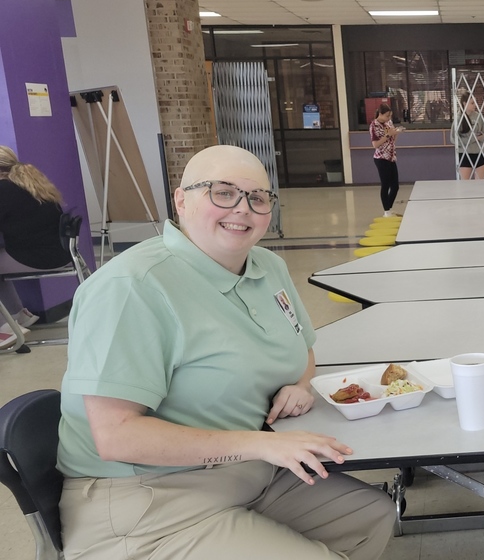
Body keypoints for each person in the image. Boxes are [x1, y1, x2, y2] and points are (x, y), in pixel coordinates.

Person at [56, 145, 394, 560]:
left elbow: (301, 347)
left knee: (373, 516)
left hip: (250, 473)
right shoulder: (130, 288)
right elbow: (116, 435)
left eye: (258, 198)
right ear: (181, 200)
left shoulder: (266, 266)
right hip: (146, 499)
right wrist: (259, 445)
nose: (243, 209)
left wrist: (301, 383)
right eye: (222, 192)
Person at [0, 145, 73, 345]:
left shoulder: (3, 190)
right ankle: (18, 316)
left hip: (39, 258)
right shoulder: (31, 182)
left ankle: (6, 328)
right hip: (62, 253)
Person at [370, 103, 403, 217]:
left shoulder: (388, 123)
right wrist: (388, 135)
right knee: (385, 184)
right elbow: (375, 144)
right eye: (387, 116)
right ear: (380, 114)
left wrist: (396, 133)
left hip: (391, 157)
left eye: (390, 116)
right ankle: (386, 210)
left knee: (395, 186)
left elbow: (393, 140)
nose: (388, 118)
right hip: (381, 158)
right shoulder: (374, 125)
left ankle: (389, 208)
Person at [453, 91, 484, 180]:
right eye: (472, 103)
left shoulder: (478, 116)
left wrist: (481, 137)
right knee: (465, 186)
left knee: (480, 184)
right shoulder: (458, 118)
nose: (474, 105)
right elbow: (455, 139)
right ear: (464, 103)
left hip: (479, 152)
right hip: (465, 153)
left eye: (475, 103)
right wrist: (473, 138)